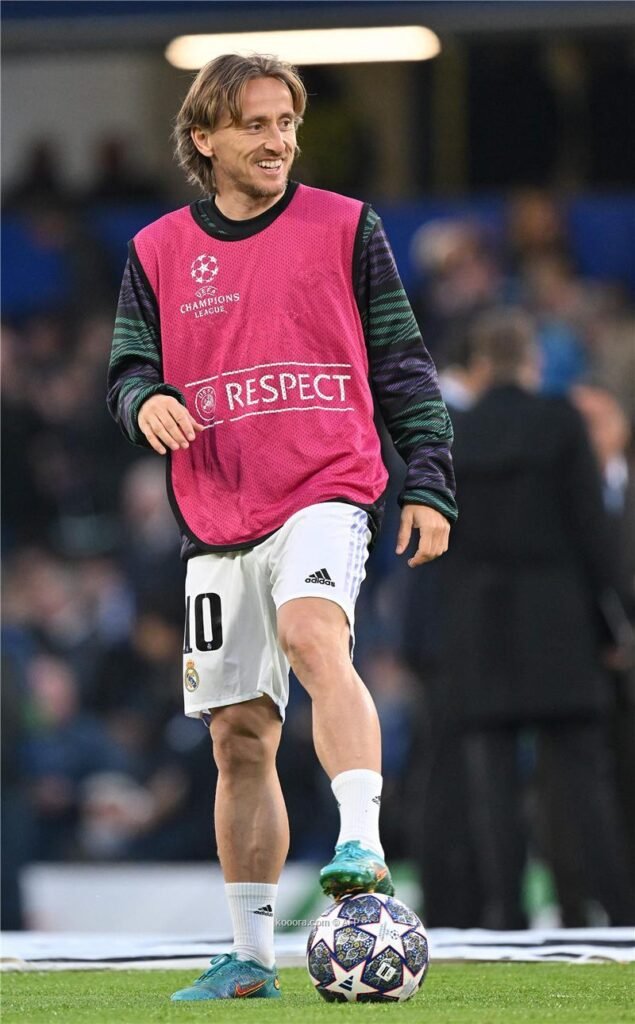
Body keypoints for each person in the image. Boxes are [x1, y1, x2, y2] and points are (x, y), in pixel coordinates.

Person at [107, 53, 456, 1002]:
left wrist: (428, 482)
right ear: (204, 138)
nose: (277, 142)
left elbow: (403, 362)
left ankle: (361, 843)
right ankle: (252, 958)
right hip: (217, 511)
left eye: (287, 123)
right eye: (256, 125)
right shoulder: (156, 250)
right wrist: (144, 401)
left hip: (326, 484)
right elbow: (128, 368)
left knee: (312, 633)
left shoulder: (347, 226)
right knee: (238, 736)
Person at [443, 308, 635, 929]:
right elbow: (593, 533)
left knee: (492, 784)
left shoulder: (456, 433)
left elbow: (438, 544)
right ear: (533, 361)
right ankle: (620, 913)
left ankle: (506, 916)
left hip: (481, 623)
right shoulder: (560, 423)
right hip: (559, 622)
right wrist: (616, 622)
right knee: (584, 781)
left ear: (480, 366)